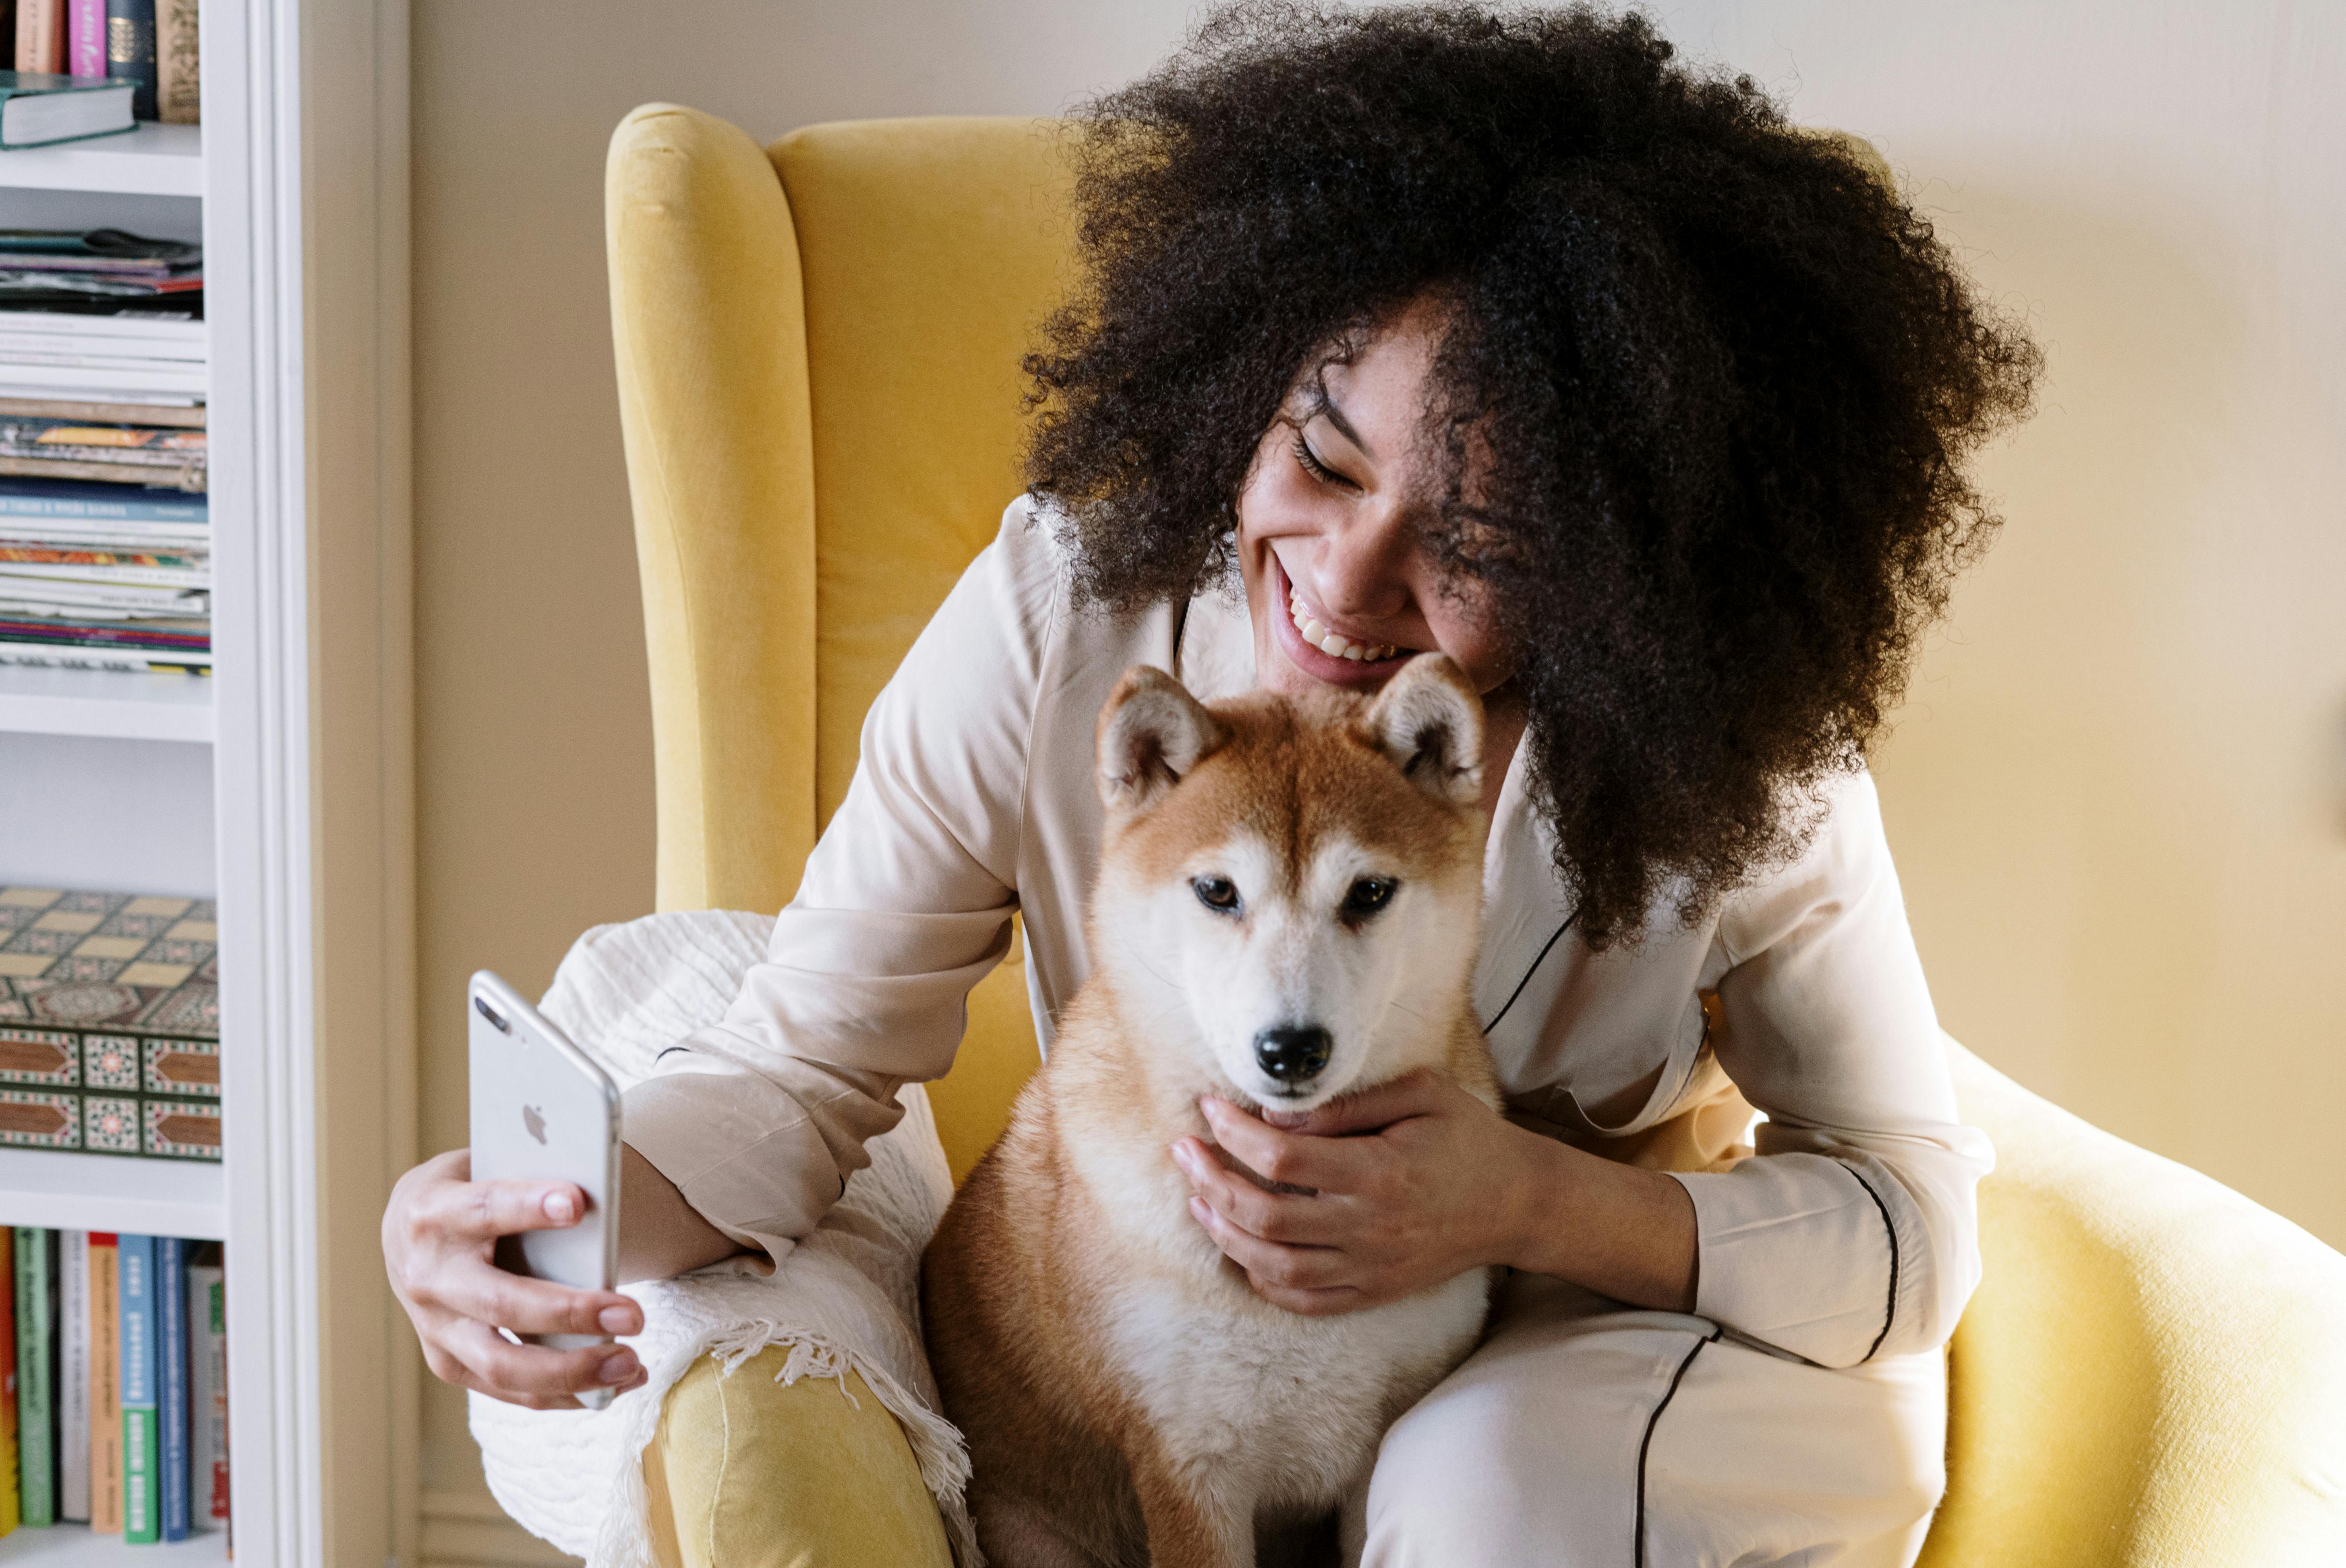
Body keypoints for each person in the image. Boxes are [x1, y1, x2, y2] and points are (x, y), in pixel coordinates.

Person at [384, 6, 2040, 1563]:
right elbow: (800, 1061)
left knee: (1485, 1492)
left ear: (1618, 573)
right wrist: (532, 1225)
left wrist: (1523, 1197)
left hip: (1597, 1326)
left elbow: (1905, 1218)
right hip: (1179, 1331)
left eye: (1478, 545)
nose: (1342, 574)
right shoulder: (1066, 614)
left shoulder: (1731, 745)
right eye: (1320, 457)